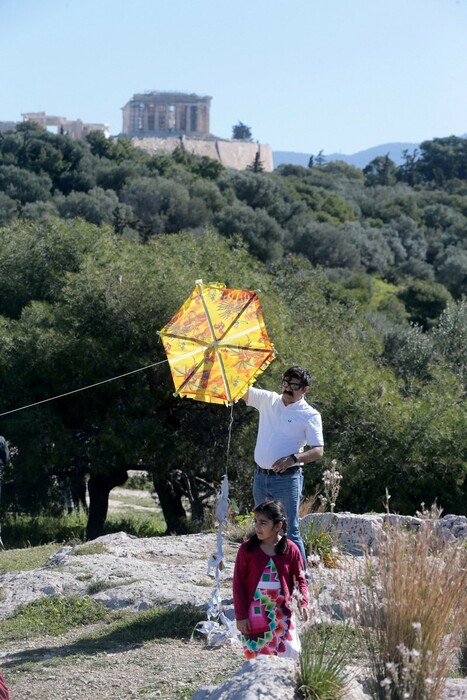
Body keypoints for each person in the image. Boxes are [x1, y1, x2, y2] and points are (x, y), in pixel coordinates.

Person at [240, 366, 324, 571]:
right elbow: (240, 390)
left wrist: (293, 459)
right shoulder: (268, 399)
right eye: (286, 383)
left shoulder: (310, 415)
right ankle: (264, 575)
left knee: (290, 529)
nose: (287, 388)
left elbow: (318, 451)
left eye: (294, 385)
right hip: (261, 476)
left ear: (305, 389)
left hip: (287, 479)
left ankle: (300, 580)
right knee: (262, 527)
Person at [233, 499, 309, 659]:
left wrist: (303, 602)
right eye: (256, 522)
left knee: (292, 652)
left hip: (283, 613)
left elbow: (300, 579)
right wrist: (241, 616)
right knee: (257, 659)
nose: (257, 527)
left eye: (263, 522)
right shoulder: (247, 549)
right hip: (255, 617)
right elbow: (238, 584)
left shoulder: (291, 549)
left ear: (278, 526)